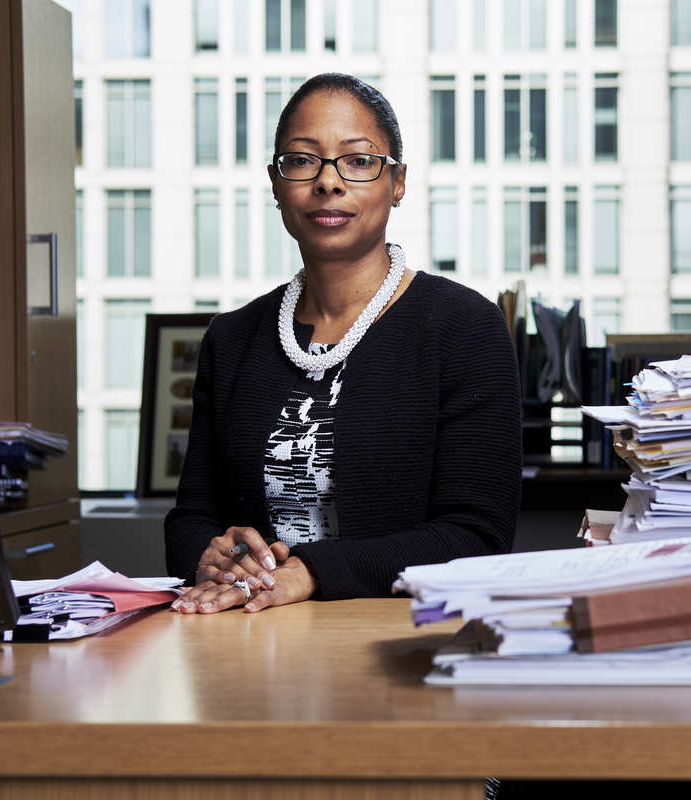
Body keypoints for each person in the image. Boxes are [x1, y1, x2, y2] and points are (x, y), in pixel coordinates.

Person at [165, 73, 522, 614]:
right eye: (303, 160)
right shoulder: (232, 338)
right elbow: (190, 520)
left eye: (358, 161)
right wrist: (210, 557)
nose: (328, 183)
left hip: (398, 640)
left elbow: (477, 537)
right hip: (246, 645)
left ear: (397, 182)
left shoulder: (464, 327)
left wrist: (310, 572)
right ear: (276, 183)